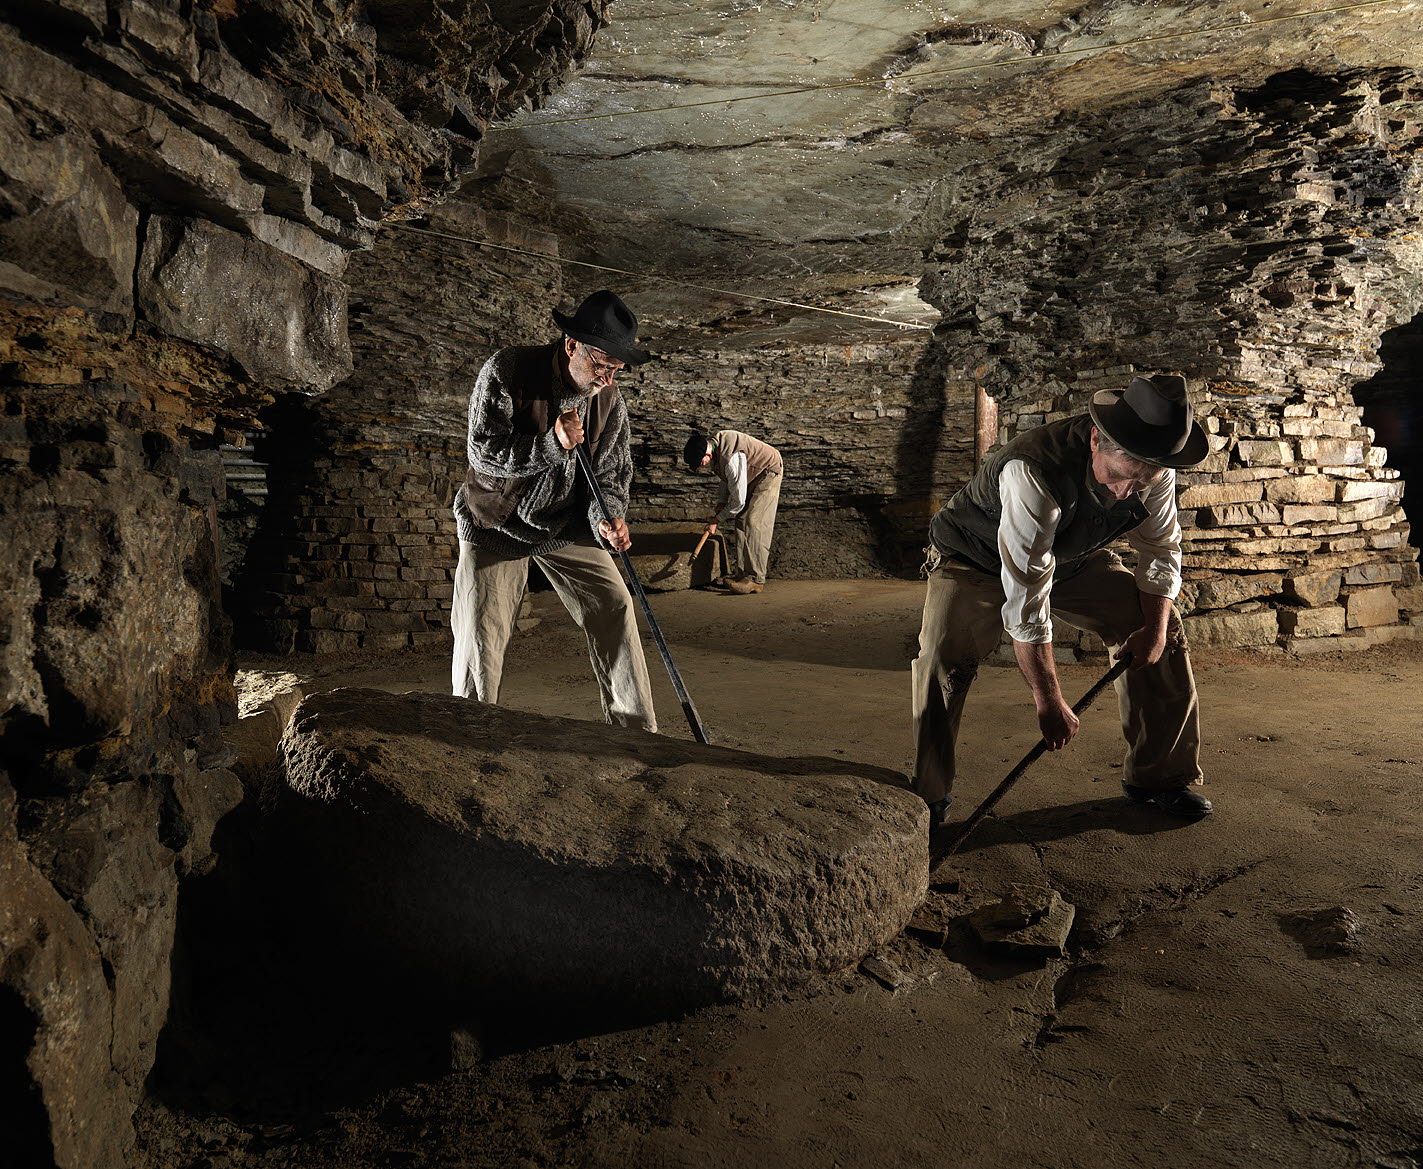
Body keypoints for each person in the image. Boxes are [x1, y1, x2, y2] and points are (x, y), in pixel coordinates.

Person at [912, 373, 1211, 828]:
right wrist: (1048, 698)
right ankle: (929, 796)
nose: (1123, 494)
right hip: (973, 558)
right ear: (1096, 440)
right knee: (944, 658)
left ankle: (1159, 776)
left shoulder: (1153, 470)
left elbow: (1160, 549)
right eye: (1119, 478)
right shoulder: (1033, 470)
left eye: (1141, 482)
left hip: (1070, 556)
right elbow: (1026, 597)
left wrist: (1152, 628)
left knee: (1162, 631)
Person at [450, 290, 657, 732]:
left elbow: (612, 472)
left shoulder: (608, 398)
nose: (607, 376)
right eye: (602, 363)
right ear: (571, 345)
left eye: (617, 368)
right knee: (480, 641)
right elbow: (483, 453)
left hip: (563, 524)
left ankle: (638, 732)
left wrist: (609, 516)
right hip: (497, 524)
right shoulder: (508, 371)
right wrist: (551, 444)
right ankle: (468, 731)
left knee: (615, 604)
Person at [683, 429, 784, 595]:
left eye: (699, 462)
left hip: (768, 470)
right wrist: (721, 503)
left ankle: (756, 579)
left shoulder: (730, 457)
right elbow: (727, 481)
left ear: (706, 453)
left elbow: (738, 501)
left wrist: (717, 520)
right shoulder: (715, 449)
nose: (700, 466)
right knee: (741, 520)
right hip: (753, 473)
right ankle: (742, 574)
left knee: (753, 522)